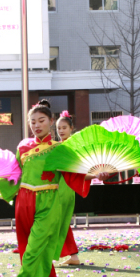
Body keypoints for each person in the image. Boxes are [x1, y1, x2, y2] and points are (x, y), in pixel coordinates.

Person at [0, 100, 104, 277]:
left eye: (41, 120)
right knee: (28, 250)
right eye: (32, 122)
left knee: (34, 249)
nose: (36, 125)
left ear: (51, 121)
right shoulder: (23, 147)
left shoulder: (61, 148)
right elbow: (14, 177)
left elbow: (75, 175)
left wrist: (96, 175)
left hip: (49, 202)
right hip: (23, 201)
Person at [55, 111, 81, 266]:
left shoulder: (73, 146)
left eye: (64, 127)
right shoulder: (58, 145)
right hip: (56, 186)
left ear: (71, 128)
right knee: (60, 221)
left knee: (60, 221)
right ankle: (73, 255)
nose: (61, 131)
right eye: (58, 128)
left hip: (65, 186)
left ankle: (72, 255)